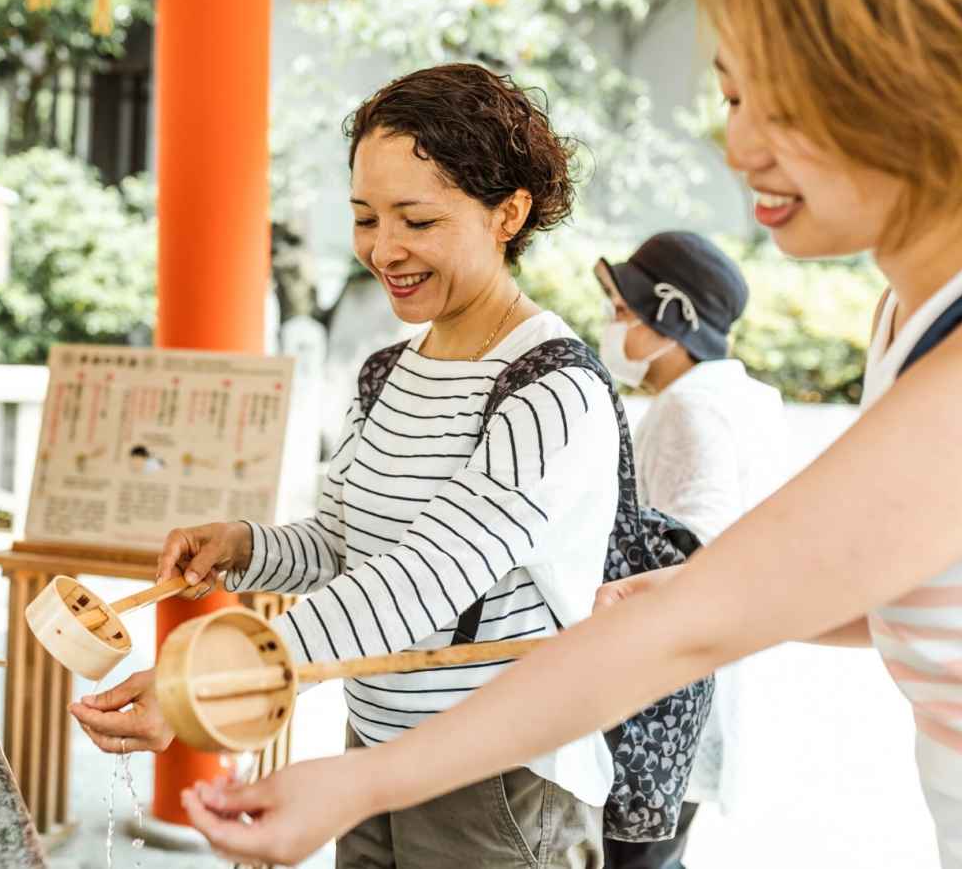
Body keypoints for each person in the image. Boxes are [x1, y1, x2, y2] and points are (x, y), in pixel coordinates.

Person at [178, 0, 962, 868]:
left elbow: (672, 629)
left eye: (782, 106)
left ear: (921, 90)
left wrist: (303, 734)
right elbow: (921, 586)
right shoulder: (918, 313)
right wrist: (695, 593)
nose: (738, 146)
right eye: (735, 97)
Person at [71, 63, 624, 868]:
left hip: (497, 775)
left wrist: (214, 682)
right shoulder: (388, 367)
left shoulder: (551, 390)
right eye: (366, 218)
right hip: (376, 747)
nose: (384, 249)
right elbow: (346, 545)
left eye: (418, 221)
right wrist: (246, 546)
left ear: (509, 213)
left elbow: (425, 576)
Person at [594, 231, 785, 869]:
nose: (611, 325)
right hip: (709, 687)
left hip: (662, 709)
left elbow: (689, 551)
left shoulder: (689, 410)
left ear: (671, 320)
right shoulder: (747, 400)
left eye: (623, 311)